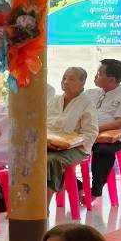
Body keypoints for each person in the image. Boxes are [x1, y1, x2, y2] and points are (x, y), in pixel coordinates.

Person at [85, 59, 121, 198]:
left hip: (111, 138)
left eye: (99, 74)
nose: (95, 76)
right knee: (56, 151)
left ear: (111, 79)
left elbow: (119, 123)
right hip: (86, 134)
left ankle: (95, 191)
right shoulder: (90, 93)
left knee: (103, 150)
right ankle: (78, 187)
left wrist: (95, 130)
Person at [45, 67, 98, 195]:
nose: (66, 82)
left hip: (75, 148)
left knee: (50, 161)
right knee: (27, 157)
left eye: (71, 79)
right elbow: (41, 124)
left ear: (82, 82)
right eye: (64, 78)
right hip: (47, 144)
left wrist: (68, 144)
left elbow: (90, 133)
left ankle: (43, 205)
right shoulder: (54, 100)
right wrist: (46, 141)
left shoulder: (87, 104)